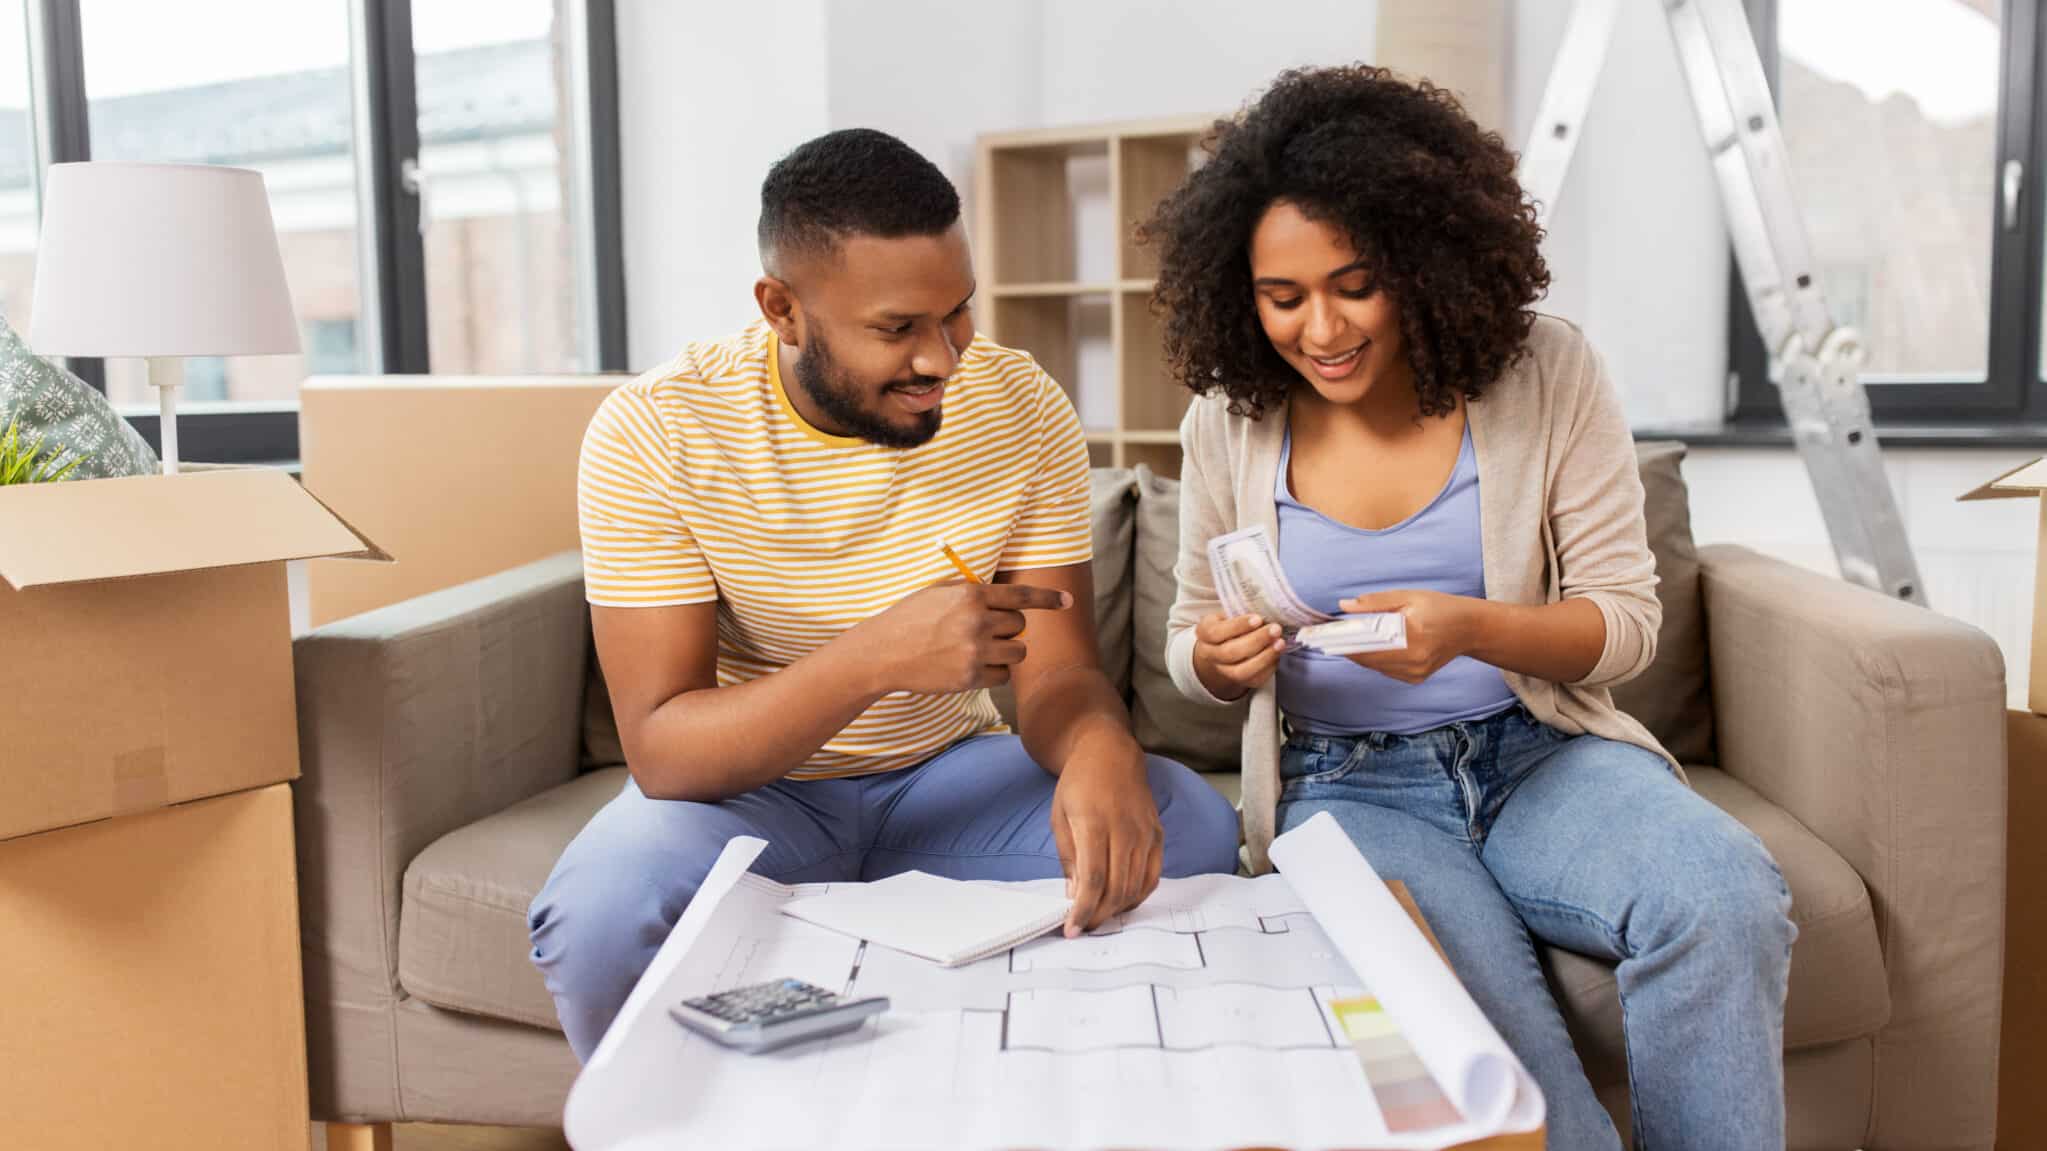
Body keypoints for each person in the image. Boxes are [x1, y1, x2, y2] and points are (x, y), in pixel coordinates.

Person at [1143, 66, 1794, 1149]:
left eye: (1355, 284)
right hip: (1349, 788)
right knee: (1485, 1061)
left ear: (1420, 259)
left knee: (1721, 894)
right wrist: (1216, 659)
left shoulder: (1546, 371)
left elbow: (1624, 623)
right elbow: (1185, 639)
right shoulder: (1227, 419)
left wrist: (1467, 627)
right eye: (1282, 297)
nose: (1320, 328)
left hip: (1541, 753)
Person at [529, 128, 1241, 1061]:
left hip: (944, 776)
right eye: (897, 329)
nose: (941, 359)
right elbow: (664, 750)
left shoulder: (1019, 404)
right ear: (783, 309)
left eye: (957, 312)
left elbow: (1058, 673)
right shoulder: (656, 430)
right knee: (599, 911)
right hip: (746, 795)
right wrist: (874, 658)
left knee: (1185, 824)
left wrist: (1100, 742)